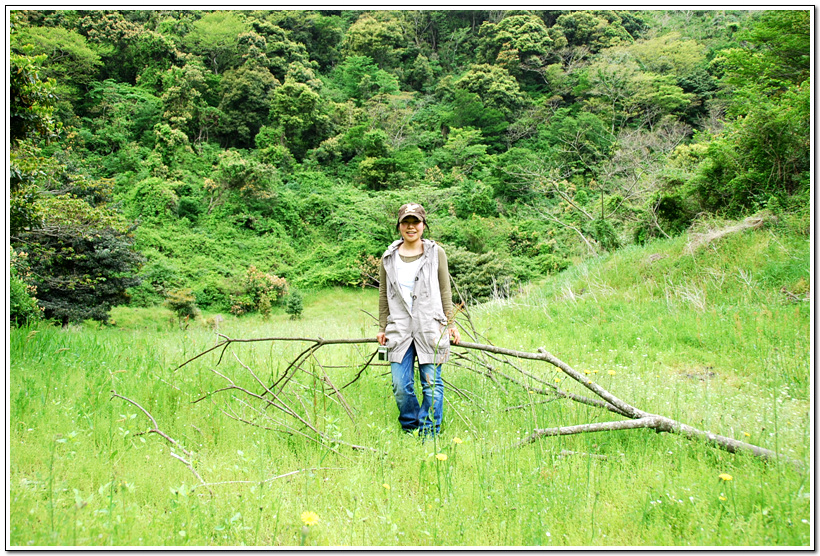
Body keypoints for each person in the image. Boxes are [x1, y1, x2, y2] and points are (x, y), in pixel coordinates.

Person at [377, 203, 460, 437]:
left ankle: (430, 432)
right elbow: (384, 293)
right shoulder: (389, 256)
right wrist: (382, 326)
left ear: (423, 225)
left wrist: (451, 325)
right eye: (406, 222)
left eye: (416, 222)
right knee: (400, 385)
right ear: (399, 226)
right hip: (399, 328)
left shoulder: (436, 253)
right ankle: (411, 428)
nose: (411, 227)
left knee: (431, 384)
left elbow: (445, 291)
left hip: (430, 327)